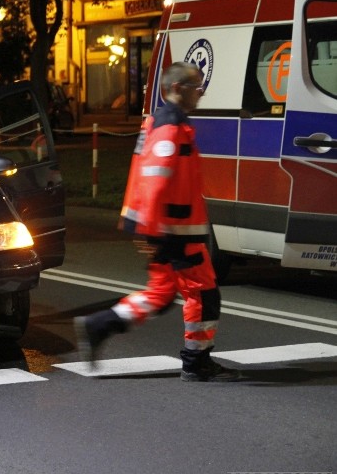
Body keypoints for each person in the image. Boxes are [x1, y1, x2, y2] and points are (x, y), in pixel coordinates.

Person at [74, 61, 241, 382]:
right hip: (175, 231)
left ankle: (97, 326)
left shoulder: (162, 122)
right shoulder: (170, 126)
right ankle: (196, 362)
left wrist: (148, 229)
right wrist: (155, 229)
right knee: (203, 294)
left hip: (167, 228)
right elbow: (154, 179)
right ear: (177, 89)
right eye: (196, 88)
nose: (200, 94)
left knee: (161, 295)